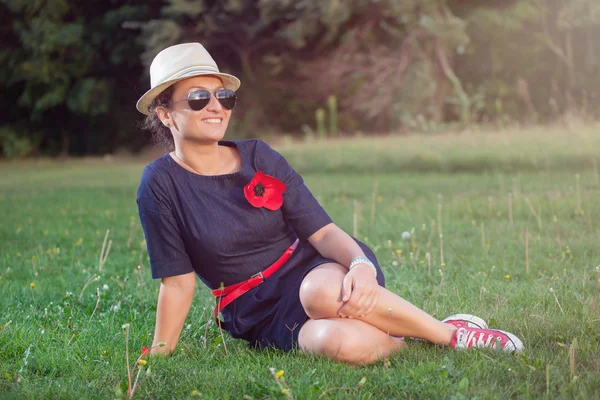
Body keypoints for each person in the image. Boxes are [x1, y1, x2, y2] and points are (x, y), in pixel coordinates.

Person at [135, 42, 524, 365]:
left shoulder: (259, 156)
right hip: (254, 308)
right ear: (166, 114)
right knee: (337, 343)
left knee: (318, 294)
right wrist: (160, 352)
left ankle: (453, 335)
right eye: (199, 98)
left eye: (224, 96)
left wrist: (359, 265)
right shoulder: (159, 185)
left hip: (317, 272)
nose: (216, 107)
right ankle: (414, 341)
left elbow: (321, 231)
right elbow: (179, 282)